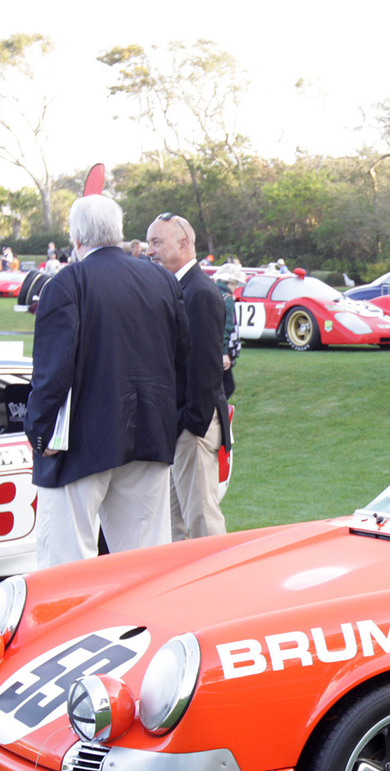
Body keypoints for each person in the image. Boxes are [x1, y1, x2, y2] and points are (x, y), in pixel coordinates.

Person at [24, 194, 190, 569]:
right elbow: (181, 355)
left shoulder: (68, 284)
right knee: (145, 561)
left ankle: (69, 628)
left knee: (66, 559)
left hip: (84, 438)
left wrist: (39, 431)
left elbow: (52, 370)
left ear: (77, 238)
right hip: (149, 432)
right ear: (117, 233)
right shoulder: (161, 280)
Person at [147, 212, 231, 542]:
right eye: (149, 242)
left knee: (201, 520)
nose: (149, 250)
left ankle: (216, 587)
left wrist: (191, 426)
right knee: (175, 521)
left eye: (157, 242)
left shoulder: (200, 293)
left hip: (193, 427)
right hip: (179, 426)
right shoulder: (179, 287)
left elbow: (206, 369)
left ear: (183, 244)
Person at [213, 262, 246, 398]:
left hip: (211, 346)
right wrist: (224, 353)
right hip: (220, 349)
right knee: (227, 387)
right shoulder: (227, 299)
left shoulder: (213, 292)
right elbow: (226, 327)